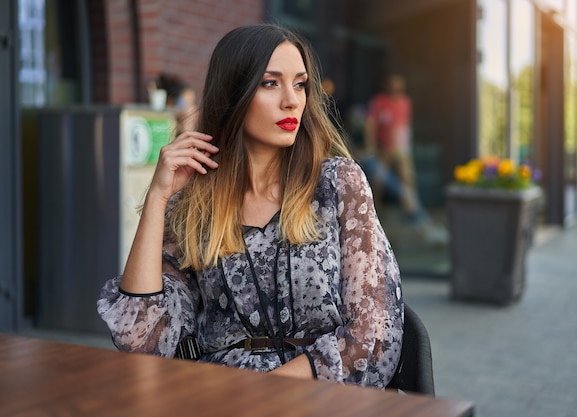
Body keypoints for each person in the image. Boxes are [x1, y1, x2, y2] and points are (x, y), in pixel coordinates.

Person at [97, 24, 403, 388]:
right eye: (270, 83)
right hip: (221, 397)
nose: (292, 100)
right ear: (233, 94)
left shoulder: (337, 183)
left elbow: (374, 337)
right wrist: (157, 199)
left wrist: (261, 398)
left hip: (321, 397)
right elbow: (141, 341)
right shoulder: (196, 204)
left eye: (300, 83)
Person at [363, 74, 428, 226]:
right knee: (378, 180)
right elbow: (370, 124)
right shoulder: (380, 102)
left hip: (401, 147)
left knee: (407, 178)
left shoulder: (405, 102)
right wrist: (371, 145)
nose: (396, 89)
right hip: (384, 147)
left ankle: (411, 212)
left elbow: (405, 124)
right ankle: (370, 212)